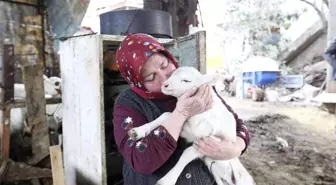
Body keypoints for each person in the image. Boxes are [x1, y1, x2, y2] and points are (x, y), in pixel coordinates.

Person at [112, 33, 250, 185]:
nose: (165, 79)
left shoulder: (195, 82)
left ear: (171, 58)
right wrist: (181, 114)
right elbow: (141, 160)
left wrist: (234, 149)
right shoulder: (129, 103)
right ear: (138, 82)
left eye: (164, 66)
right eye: (151, 77)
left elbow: (236, 123)